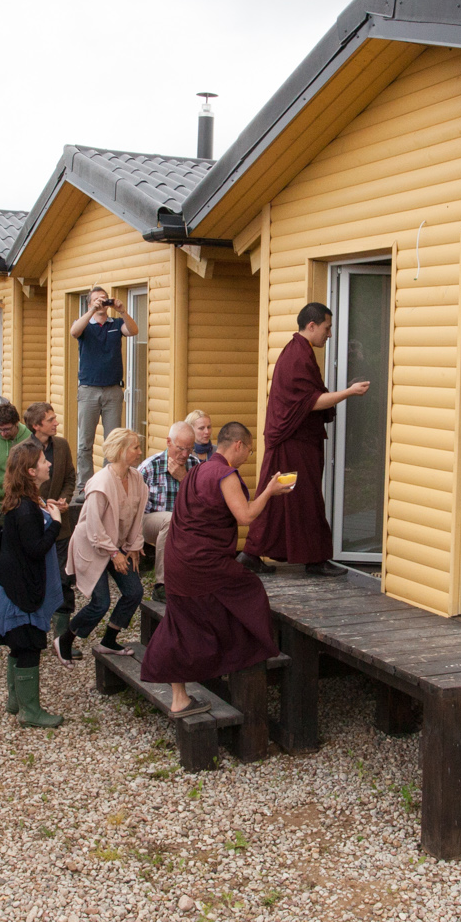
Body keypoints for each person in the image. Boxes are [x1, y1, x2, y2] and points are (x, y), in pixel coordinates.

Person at [142, 422, 293, 716]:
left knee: (182, 623)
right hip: (203, 563)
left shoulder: (197, 470)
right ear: (237, 445)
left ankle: (180, 697)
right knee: (249, 590)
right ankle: (247, 654)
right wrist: (270, 491)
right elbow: (246, 515)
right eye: (248, 451)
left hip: (178, 559)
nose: (247, 457)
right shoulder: (223, 473)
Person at [242, 302, 370, 576]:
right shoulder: (298, 356)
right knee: (306, 497)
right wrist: (348, 393)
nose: (330, 334)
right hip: (293, 443)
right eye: (327, 328)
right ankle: (314, 560)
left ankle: (252, 554)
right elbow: (310, 402)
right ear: (311, 326)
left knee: (281, 497)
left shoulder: (298, 351)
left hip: (292, 440)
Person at [0, 441, 68, 729]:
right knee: (28, 647)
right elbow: (35, 549)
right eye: (44, 461)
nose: (49, 464)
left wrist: (49, 511)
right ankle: (29, 711)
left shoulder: (25, 501)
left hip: (14, 585)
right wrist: (56, 523)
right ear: (31, 471)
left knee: (18, 647)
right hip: (19, 593)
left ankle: (16, 701)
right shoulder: (25, 509)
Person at [62, 428, 146, 663]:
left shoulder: (137, 478)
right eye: (135, 447)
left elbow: (138, 516)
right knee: (101, 602)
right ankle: (65, 640)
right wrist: (113, 553)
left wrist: (133, 547)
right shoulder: (100, 483)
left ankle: (109, 640)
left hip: (117, 547)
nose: (140, 452)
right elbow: (93, 527)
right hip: (92, 546)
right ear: (120, 451)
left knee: (134, 592)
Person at [69, 286, 137, 469]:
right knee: (85, 442)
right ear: (90, 303)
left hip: (113, 390)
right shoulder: (84, 324)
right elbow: (74, 332)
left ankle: (110, 480)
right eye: (97, 299)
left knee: (113, 441)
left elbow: (133, 330)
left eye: (104, 299)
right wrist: (92, 311)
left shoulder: (115, 324)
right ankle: (84, 485)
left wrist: (122, 311)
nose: (101, 302)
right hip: (88, 390)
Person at [138, 421, 194, 592]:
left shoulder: (195, 465)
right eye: (180, 448)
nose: (185, 454)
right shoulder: (150, 467)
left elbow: (202, 500)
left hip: (185, 523)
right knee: (170, 521)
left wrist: (184, 479)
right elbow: (132, 503)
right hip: (149, 521)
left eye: (189, 449)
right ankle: (162, 585)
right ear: (169, 442)